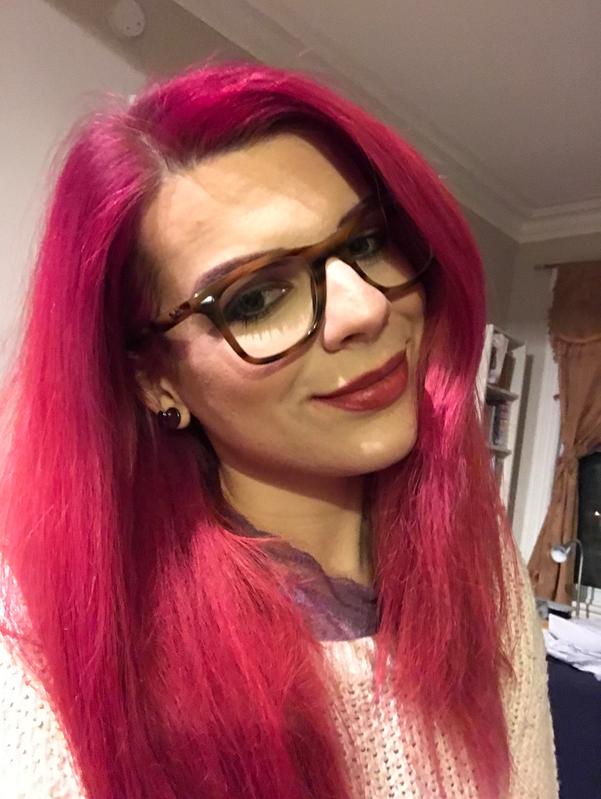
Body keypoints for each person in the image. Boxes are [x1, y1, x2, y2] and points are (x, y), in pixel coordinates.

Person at [0, 62, 557, 798]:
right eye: (257, 298)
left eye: (366, 243)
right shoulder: (48, 659)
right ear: (155, 378)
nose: (366, 309)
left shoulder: (477, 558)